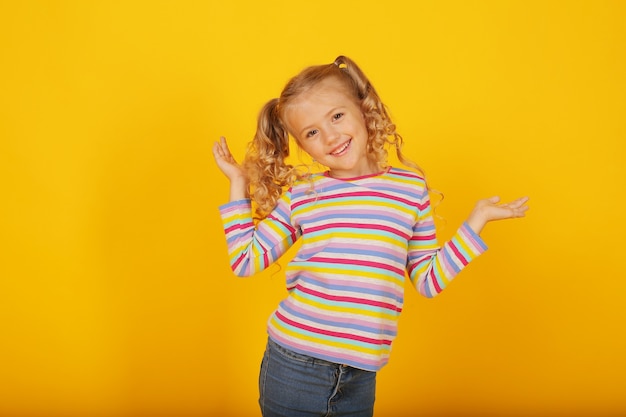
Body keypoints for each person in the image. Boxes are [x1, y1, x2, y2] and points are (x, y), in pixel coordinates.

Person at [212, 55, 529, 417]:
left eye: (336, 116)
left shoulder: (410, 189)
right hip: (294, 368)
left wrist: (478, 220)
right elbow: (245, 260)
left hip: (360, 377)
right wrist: (238, 183)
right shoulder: (303, 194)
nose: (330, 137)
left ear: (364, 108)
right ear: (302, 145)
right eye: (311, 133)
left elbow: (427, 280)